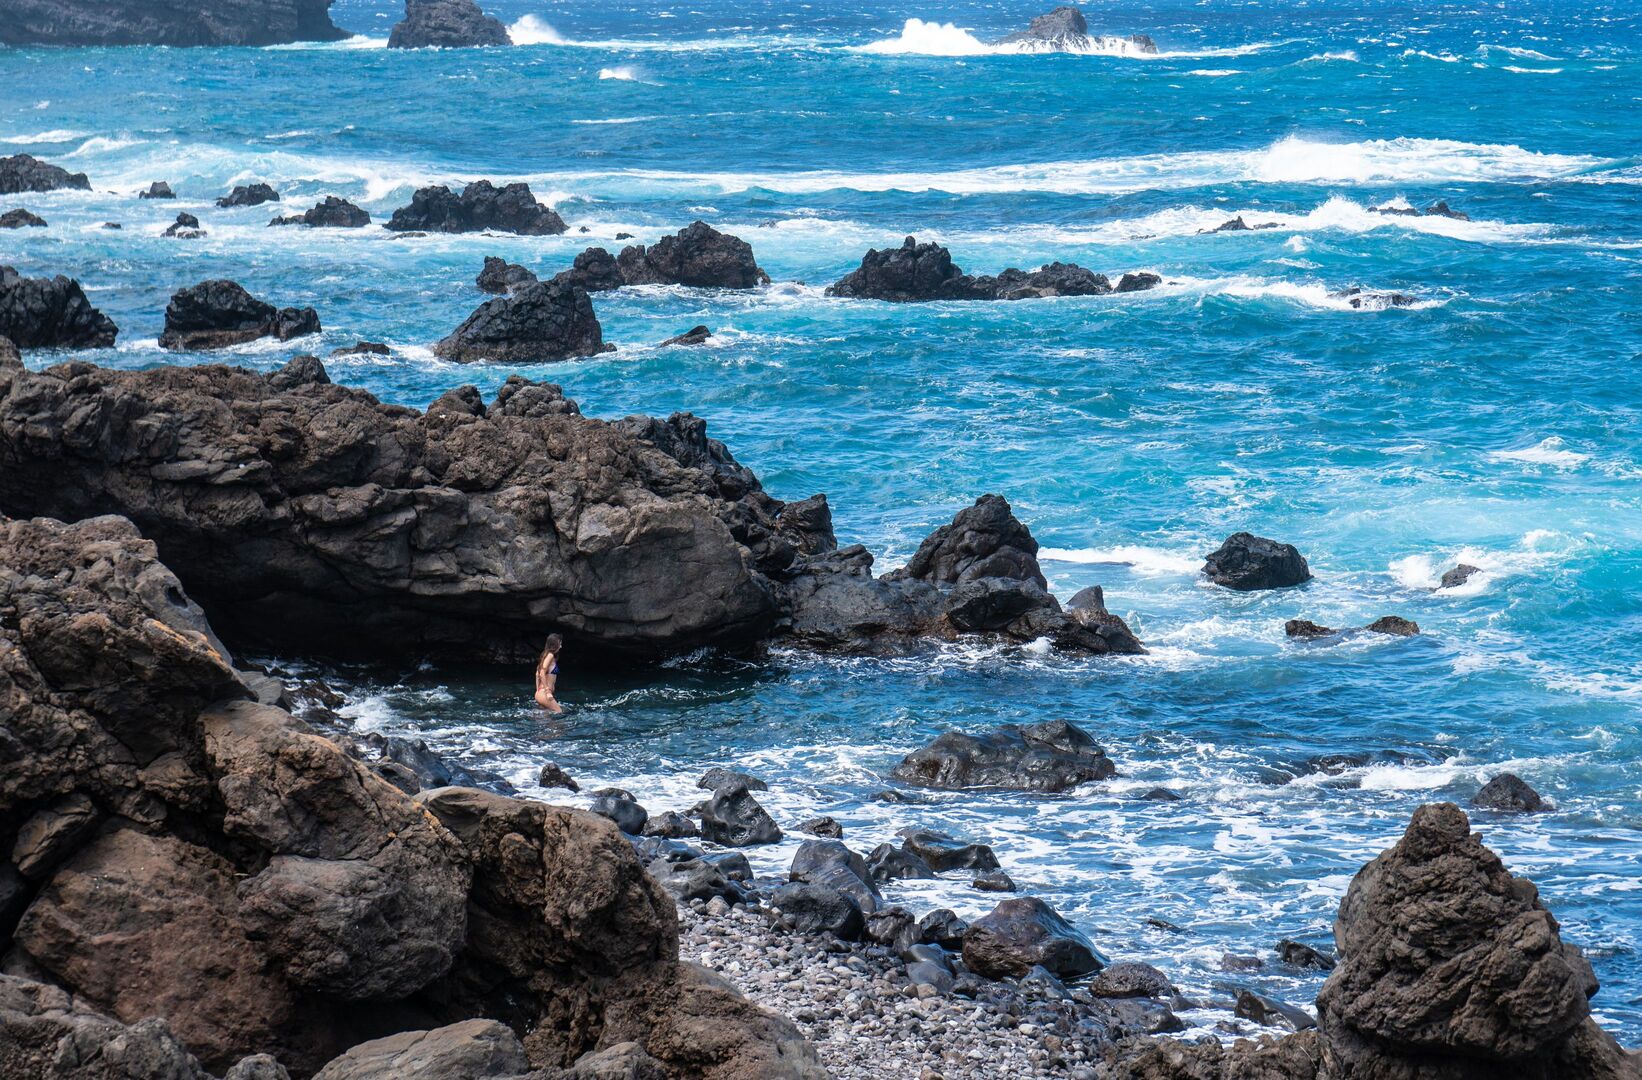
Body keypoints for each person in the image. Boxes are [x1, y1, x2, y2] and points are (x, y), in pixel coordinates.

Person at [533, 633, 563, 713]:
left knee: (545, 719)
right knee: (559, 712)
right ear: (555, 644)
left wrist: (538, 691)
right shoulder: (550, 656)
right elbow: (541, 672)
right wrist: (547, 691)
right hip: (544, 693)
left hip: (541, 693)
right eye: (560, 643)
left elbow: (537, 674)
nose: (561, 646)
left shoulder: (545, 655)